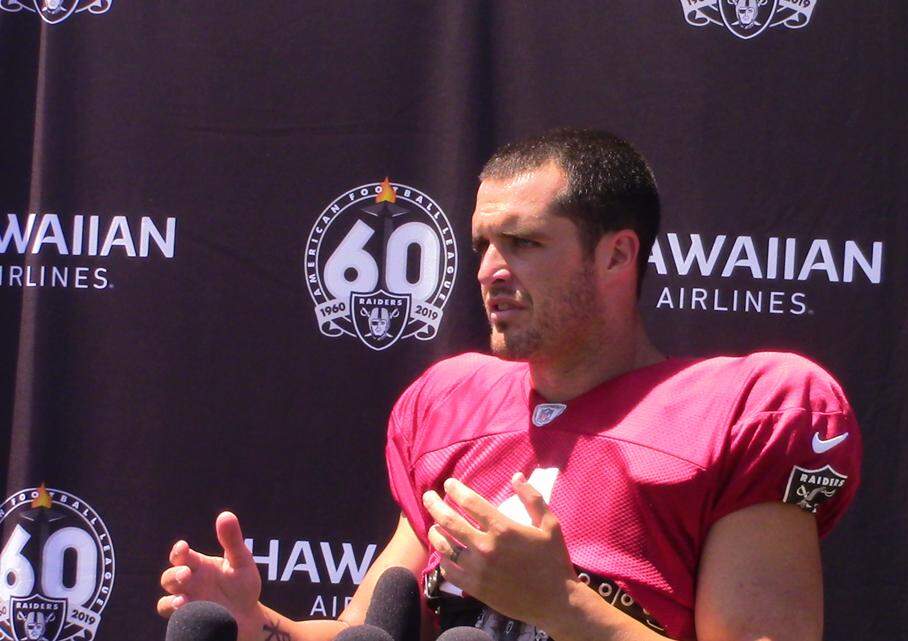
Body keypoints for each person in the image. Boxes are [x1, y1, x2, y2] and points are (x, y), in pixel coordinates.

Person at [157, 129, 861, 641]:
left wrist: (561, 602)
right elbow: (367, 632)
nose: (490, 269)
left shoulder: (745, 409)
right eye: (482, 244)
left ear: (618, 254)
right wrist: (263, 624)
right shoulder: (451, 406)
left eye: (523, 243)